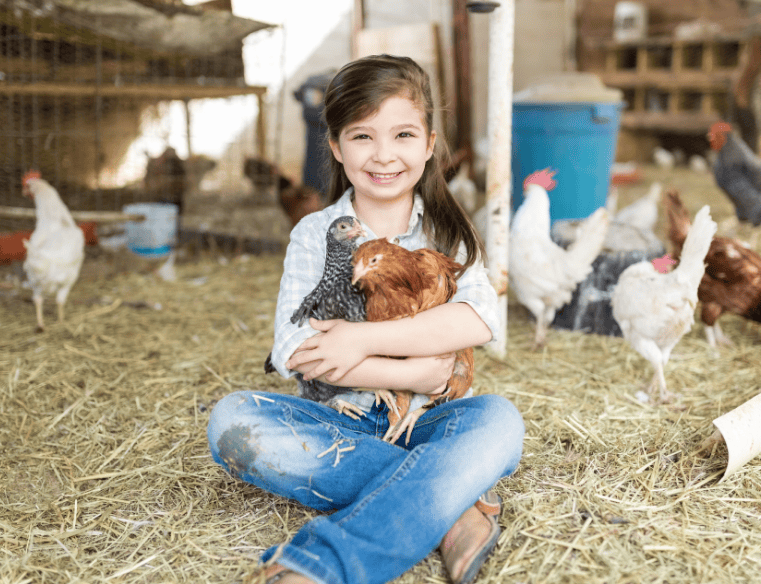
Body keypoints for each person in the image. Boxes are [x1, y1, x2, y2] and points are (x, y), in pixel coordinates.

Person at [207, 54, 524, 584]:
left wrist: (359, 340)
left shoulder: (447, 230)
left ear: (428, 144)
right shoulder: (314, 233)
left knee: (500, 422)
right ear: (334, 145)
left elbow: (477, 320)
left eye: (402, 135)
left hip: (431, 424)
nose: (383, 156)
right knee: (232, 422)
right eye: (362, 137)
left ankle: (322, 564)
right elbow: (295, 353)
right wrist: (416, 373)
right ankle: (450, 503)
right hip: (342, 423)